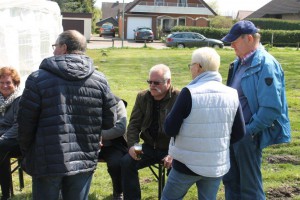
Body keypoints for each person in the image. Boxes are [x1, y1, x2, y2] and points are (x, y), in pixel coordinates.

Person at [17, 30, 116, 200]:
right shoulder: (100, 80)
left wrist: (27, 150)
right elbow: (109, 121)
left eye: (55, 46)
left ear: (63, 47)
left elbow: (25, 123)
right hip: (84, 156)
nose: (53, 50)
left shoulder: (37, 78)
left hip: (46, 157)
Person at [161, 47, 246, 200]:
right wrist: (217, 144)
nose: (190, 69)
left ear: (199, 67)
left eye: (191, 65)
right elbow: (239, 132)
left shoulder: (189, 92)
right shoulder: (232, 93)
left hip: (186, 164)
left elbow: (169, 129)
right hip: (215, 164)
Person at [221, 20, 291, 200]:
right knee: (231, 182)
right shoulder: (239, 62)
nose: (231, 45)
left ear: (249, 39)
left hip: (247, 135)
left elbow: (271, 108)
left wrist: (248, 132)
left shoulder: (266, 65)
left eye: (234, 41)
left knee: (250, 189)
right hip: (233, 133)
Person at [120, 64, 180, 200]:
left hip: (170, 149)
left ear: (168, 82)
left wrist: (174, 153)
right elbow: (134, 125)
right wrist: (133, 146)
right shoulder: (142, 97)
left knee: (176, 168)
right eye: (150, 82)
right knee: (126, 162)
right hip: (147, 147)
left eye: (156, 82)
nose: (152, 85)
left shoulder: (179, 97)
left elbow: (184, 130)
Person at [98, 95, 128, 200]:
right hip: (88, 142)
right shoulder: (86, 99)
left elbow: (121, 128)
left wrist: (99, 135)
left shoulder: (117, 102)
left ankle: (118, 192)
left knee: (116, 163)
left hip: (113, 144)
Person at [0, 67, 21, 200]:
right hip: (2, 140)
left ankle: (6, 194)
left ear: (15, 83)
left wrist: (1, 139)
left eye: (8, 82)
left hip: (16, 139)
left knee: (0, 150)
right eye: (1, 83)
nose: (5, 86)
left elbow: (18, 126)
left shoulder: (20, 100)